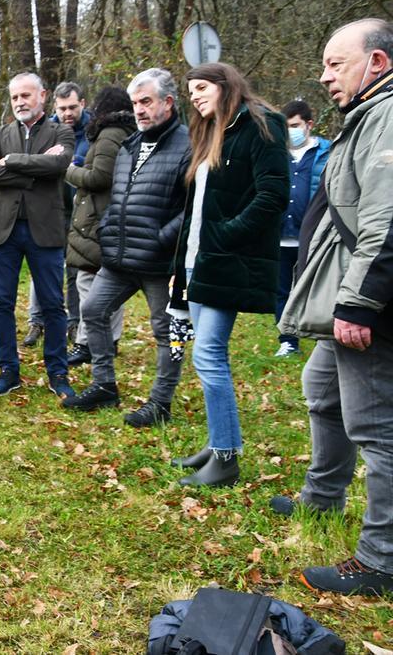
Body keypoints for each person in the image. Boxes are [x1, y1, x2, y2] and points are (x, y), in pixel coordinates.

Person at [278, 18, 393, 596]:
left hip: (368, 303)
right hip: (347, 297)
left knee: (378, 428)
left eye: (335, 64)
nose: (324, 76)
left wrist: (359, 303)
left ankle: (381, 559)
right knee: (322, 390)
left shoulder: (388, 117)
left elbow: (386, 220)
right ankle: (323, 497)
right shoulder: (366, 115)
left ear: (377, 62)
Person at [168, 62, 289, 487]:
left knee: (208, 355)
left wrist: (226, 236)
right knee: (206, 356)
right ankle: (220, 443)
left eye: (202, 87)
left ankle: (225, 459)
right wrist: (183, 262)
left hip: (226, 259)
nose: (195, 97)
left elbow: (273, 195)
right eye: (191, 91)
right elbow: (199, 206)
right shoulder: (212, 131)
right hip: (198, 260)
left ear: (226, 85)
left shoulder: (261, 125)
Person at [63, 70, 191, 429]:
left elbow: (194, 207)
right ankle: (104, 385)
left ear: (168, 102)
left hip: (160, 261)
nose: (139, 110)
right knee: (92, 309)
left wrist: (162, 237)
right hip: (119, 256)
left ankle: (161, 402)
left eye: (146, 101)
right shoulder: (130, 145)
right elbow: (116, 197)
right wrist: (108, 229)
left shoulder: (188, 145)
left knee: (166, 331)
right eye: (135, 103)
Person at [0, 72, 75, 398]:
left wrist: (13, 162)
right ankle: (8, 371)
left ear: (42, 96)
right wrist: (33, 173)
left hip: (45, 231)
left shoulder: (61, 131)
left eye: (26, 95)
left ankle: (58, 373)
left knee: (53, 305)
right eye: (15, 97)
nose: (20, 102)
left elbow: (59, 165)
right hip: (3, 232)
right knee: (1, 303)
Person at [59, 86, 132, 370]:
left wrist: (67, 169)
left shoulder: (109, 135)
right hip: (110, 217)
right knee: (107, 283)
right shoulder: (125, 132)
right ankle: (108, 340)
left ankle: (87, 344)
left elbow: (99, 177)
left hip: (99, 218)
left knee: (89, 282)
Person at [22, 81, 90, 348]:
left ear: (82, 103)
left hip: (81, 213)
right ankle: (36, 321)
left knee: (75, 270)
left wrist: (72, 165)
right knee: (42, 269)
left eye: (72, 107)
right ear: (54, 107)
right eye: (62, 108)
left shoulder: (93, 132)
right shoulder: (46, 131)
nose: (67, 113)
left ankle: (74, 323)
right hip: (49, 210)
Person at [273, 99, 331, 358]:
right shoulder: (276, 154)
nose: (290, 131)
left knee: (315, 289)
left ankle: (321, 339)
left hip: (313, 237)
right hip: (280, 237)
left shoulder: (327, 153)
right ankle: (288, 340)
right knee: (282, 291)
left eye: (295, 126)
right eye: (286, 126)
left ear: (309, 125)